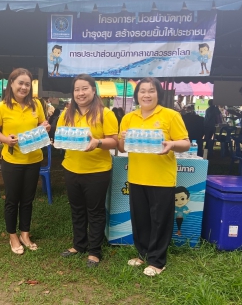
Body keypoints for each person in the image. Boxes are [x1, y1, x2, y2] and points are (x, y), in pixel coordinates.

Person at [117, 77, 190, 276]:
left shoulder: (170, 115)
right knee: (140, 218)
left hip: (161, 178)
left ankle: (157, 261)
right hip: (136, 176)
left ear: (159, 94)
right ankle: (143, 254)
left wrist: (172, 145)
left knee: (160, 220)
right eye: (142, 91)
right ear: (137, 94)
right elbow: (122, 148)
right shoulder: (129, 118)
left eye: (151, 91)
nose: (146, 95)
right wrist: (121, 139)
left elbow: (185, 143)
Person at [57, 74, 119, 268]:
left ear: (93, 90)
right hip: (71, 168)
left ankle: (94, 251)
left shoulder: (105, 113)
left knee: (95, 211)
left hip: (97, 171)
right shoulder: (66, 114)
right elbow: (59, 136)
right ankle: (79, 244)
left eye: (85, 88)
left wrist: (98, 142)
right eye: (77, 89)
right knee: (77, 209)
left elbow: (114, 141)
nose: (80, 93)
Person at [0, 68, 50, 255]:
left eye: (27, 84)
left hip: (33, 158)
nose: (24, 87)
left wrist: (45, 126)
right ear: (12, 84)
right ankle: (12, 235)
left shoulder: (36, 104)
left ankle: (25, 233)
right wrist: (6, 139)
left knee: (28, 199)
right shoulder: (1, 107)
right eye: (20, 83)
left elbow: (42, 124)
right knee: (12, 200)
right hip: (12, 160)